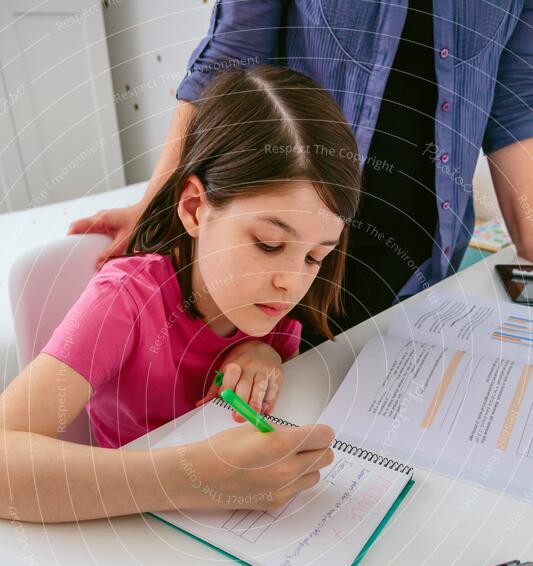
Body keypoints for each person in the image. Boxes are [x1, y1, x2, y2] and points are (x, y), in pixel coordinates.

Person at [0, 65, 361, 523]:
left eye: (315, 258)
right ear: (194, 208)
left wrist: (265, 356)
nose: (291, 281)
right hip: (125, 531)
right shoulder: (125, 301)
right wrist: (195, 477)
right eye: (268, 244)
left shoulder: (268, 313)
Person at [69, 0, 533, 348]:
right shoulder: (131, 304)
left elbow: (516, 105)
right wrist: (159, 201)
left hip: (425, 267)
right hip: (305, 275)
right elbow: (229, 58)